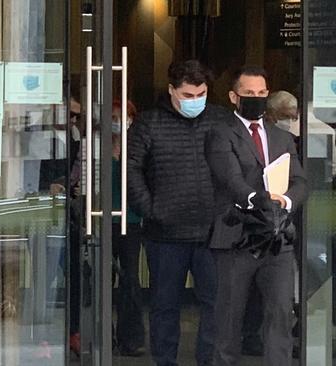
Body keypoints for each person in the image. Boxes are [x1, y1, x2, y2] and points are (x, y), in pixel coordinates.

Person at [127, 60, 230, 366]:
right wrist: (150, 208)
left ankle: (208, 361)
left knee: (216, 304)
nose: (195, 100)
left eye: (201, 94)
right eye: (187, 95)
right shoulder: (149, 123)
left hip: (212, 231)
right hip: (165, 233)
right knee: (164, 306)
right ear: (172, 90)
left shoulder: (221, 121)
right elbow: (131, 169)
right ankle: (165, 362)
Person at [206, 66, 308, 366]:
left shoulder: (281, 137)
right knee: (229, 319)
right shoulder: (220, 133)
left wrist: (286, 201)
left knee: (279, 315)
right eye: (249, 93)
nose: (256, 98)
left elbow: (300, 180)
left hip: (276, 239)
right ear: (233, 96)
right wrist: (261, 199)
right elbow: (230, 179)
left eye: (261, 93)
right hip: (237, 236)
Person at [111, 101, 146, 356]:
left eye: (124, 116)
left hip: (131, 221)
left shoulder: (139, 147)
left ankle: (130, 339)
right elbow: (79, 176)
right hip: (101, 220)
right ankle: (99, 337)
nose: (119, 121)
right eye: (113, 116)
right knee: (98, 281)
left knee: (130, 280)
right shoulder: (95, 146)